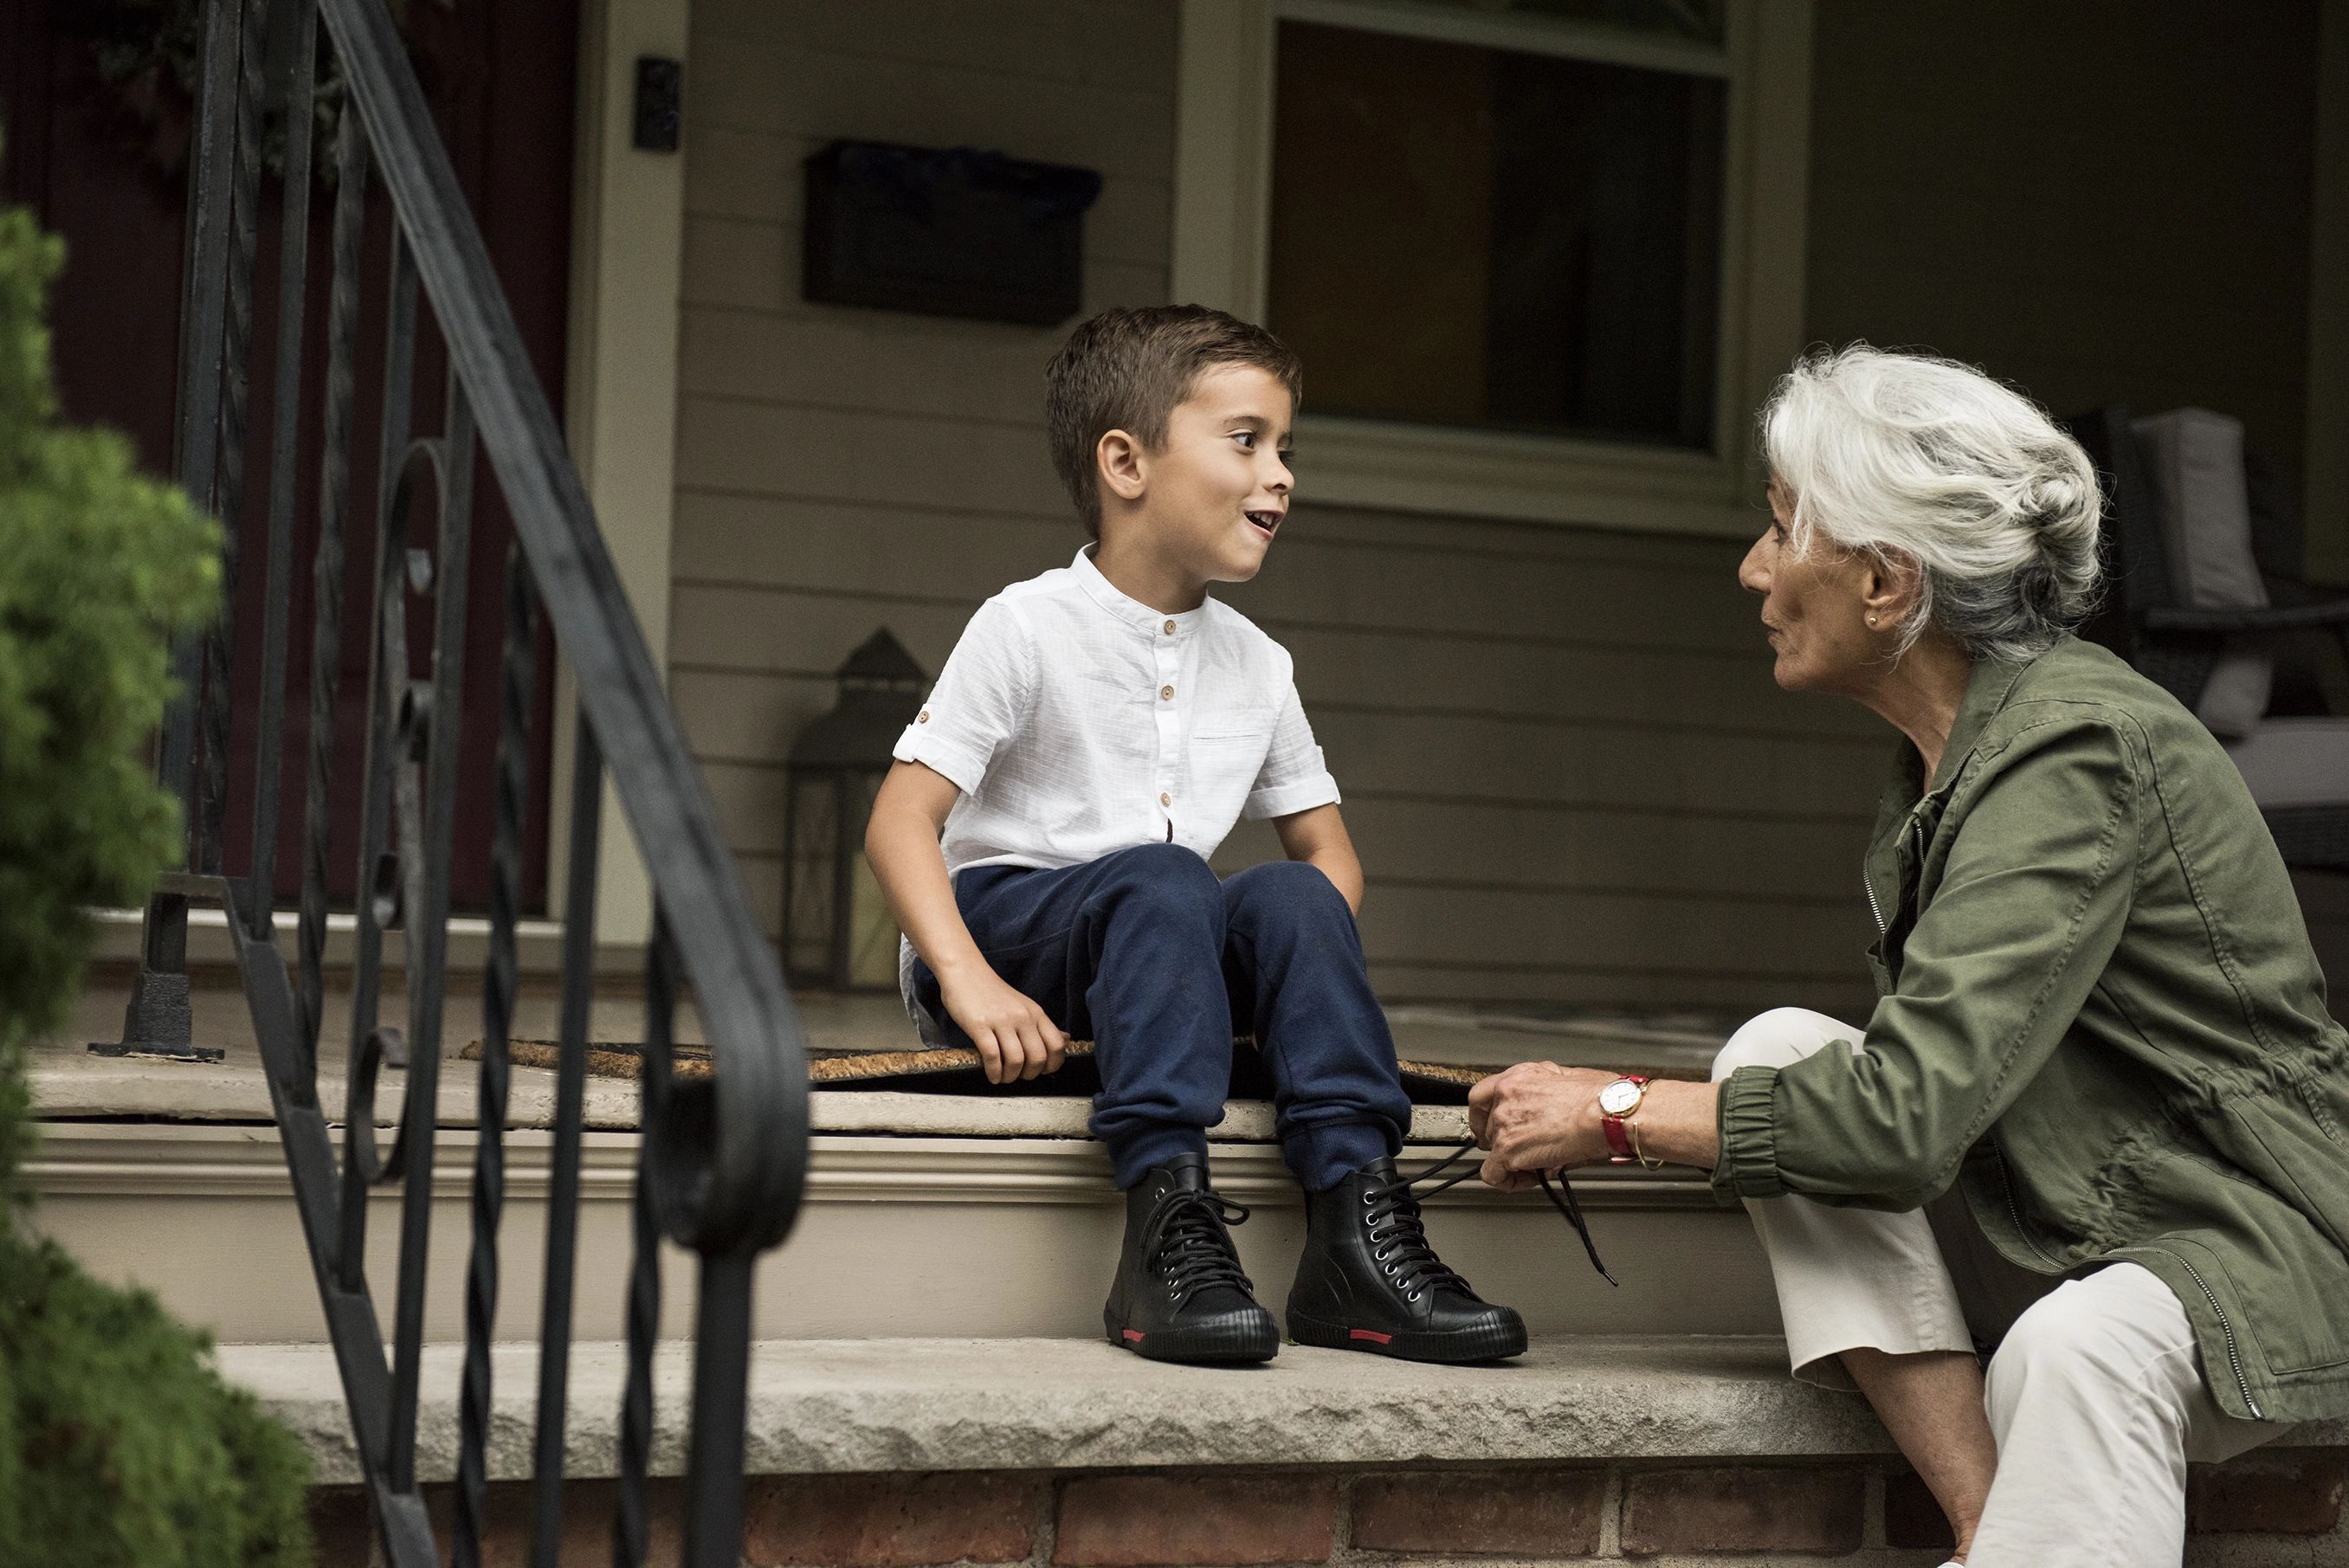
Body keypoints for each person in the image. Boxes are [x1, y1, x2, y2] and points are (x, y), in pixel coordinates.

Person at [1469, 345, 2349, 1566]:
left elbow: (1903, 1122)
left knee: (2076, 1345)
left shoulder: (2075, 747)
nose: (1753, 571)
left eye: (1781, 532)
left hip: (2260, 1243)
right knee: (1776, 1049)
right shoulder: (1948, 763)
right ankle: (1993, 1526)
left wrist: (1613, 1108)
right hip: (2081, 1218)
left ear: (1886, 580)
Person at [865, 305, 1524, 1367]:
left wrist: (1283, 977)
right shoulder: (1026, 624)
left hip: (1161, 944)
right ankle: (1166, 1224)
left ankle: (1356, 1234)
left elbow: (1330, 858)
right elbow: (902, 821)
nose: (1281, 474)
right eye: (1246, 440)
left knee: (1290, 894)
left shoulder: (1258, 662)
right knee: (1170, 876)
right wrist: (968, 980)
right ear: (1126, 462)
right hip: (1009, 940)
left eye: (1285, 448)